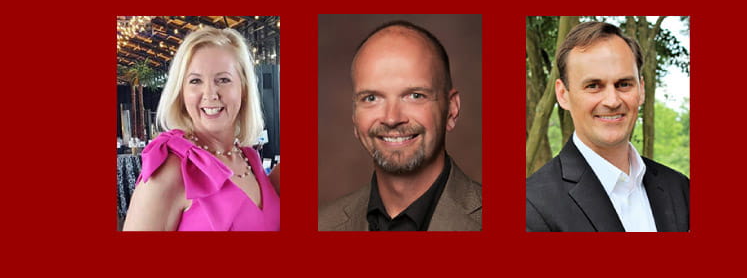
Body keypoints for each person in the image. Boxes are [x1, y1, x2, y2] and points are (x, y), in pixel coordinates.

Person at [525, 21, 689, 232]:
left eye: (623, 84)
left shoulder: (680, 189)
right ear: (563, 95)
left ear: (641, 90)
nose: (612, 101)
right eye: (593, 86)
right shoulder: (532, 206)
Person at [318, 21, 481, 231]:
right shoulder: (323, 224)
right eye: (371, 98)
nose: (392, 118)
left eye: (415, 96)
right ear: (354, 116)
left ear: (451, 109)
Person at [123, 27, 279, 231]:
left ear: (243, 88)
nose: (210, 93)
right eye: (195, 81)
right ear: (182, 92)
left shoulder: (250, 159)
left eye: (223, 80)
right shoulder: (170, 170)